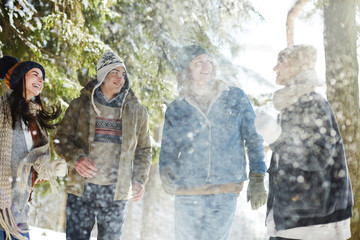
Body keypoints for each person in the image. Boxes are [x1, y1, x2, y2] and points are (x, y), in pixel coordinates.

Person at [159, 45, 267, 240]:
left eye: (208, 61)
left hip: (224, 190)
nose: (205, 66)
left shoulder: (235, 97)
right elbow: (168, 150)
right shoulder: (177, 108)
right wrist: (166, 172)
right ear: (187, 70)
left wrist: (257, 177)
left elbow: (253, 137)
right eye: (198, 62)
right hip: (187, 192)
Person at [255, 44, 353, 240]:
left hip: (312, 223)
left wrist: (276, 137)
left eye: (281, 62)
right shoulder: (295, 104)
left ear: (297, 67)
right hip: (297, 220)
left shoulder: (312, 103)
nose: (275, 68)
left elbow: (318, 157)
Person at [53, 49, 152, 240]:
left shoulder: (137, 112)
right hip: (82, 190)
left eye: (123, 73)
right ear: (102, 75)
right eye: (115, 71)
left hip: (116, 193)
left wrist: (139, 179)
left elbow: (144, 150)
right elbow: (60, 139)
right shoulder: (79, 105)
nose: (120, 77)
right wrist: (77, 158)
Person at [0, 56, 64, 240]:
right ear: (20, 79)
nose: (40, 80)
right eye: (35, 74)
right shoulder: (2, 110)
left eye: (42, 78)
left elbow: (33, 163)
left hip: (19, 209)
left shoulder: (36, 120)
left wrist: (49, 168)